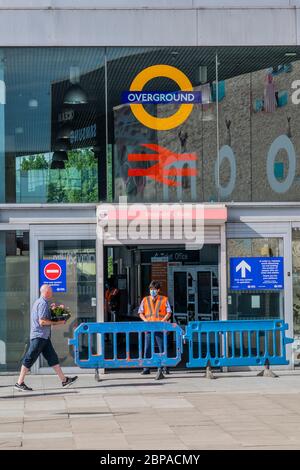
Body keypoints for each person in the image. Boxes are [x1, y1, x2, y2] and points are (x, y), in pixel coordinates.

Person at [14, 284, 78, 392]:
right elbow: (42, 322)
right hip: (39, 336)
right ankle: (19, 383)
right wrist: (58, 322)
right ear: (46, 292)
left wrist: (55, 312)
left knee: (52, 358)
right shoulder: (42, 303)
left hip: (44, 337)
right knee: (29, 358)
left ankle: (64, 380)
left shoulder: (40, 302)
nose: (52, 292)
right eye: (50, 290)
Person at [139, 280, 172, 380]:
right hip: (149, 327)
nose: (152, 291)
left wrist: (162, 321)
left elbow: (169, 312)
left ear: (158, 290)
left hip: (160, 327)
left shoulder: (164, 299)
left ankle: (164, 367)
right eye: (151, 289)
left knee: (162, 347)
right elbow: (140, 312)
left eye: (154, 289)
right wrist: (145, 320)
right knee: (147, 348)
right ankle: (146, 368)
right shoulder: (145, 300)